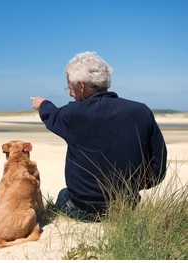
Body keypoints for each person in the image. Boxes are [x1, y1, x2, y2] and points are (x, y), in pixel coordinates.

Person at [31, 51, 167, 222]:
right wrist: (136, 187)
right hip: (127, 206)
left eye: (69, 88)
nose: (71, 94)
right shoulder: (141, 111)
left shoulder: (73, 114)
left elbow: (53, 115)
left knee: (63, 194)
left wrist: (42, 104)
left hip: (83, 209)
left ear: (81, 85)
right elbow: (158, 164)